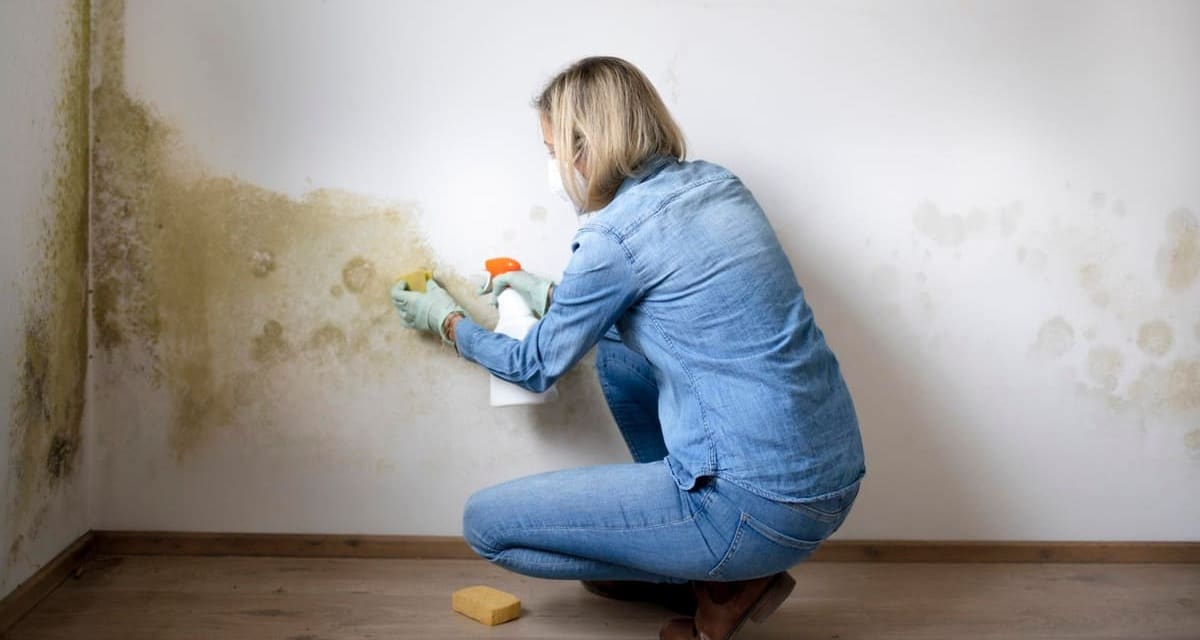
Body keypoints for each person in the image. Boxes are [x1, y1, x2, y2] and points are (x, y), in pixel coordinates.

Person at [391, 56, 865, 640]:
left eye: (553, 151)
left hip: (754, 506)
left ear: (586, 146)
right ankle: (717, 573)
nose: (553, 167)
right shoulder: (719, 184)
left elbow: (533, 366)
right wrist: (551, 294)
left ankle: (719, 572)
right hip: (833, 481)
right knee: (617, 352)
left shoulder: (611, 236)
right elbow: (670, 304)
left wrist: (446, 321)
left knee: (485, 525)